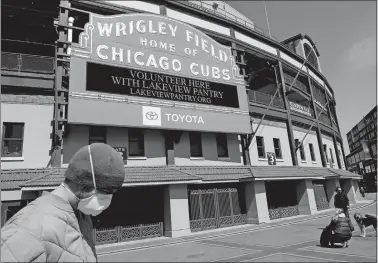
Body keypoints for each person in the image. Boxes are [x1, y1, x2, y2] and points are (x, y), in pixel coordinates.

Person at [1, 143, 126, 262]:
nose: (108, 199)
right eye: (106, 192)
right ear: (84, 183)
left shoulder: (81, 216)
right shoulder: (27, 229)